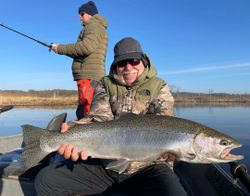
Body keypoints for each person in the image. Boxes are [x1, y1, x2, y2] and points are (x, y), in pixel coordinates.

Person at [35, 37, 187, 196]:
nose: (128, 67)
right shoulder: (105, 83)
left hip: (149, 168)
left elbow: (165, 121)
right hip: (106, 164)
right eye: (122, 63)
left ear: (143, 61)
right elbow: (100, 117)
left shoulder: (159, 86)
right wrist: (76, 128)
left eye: (134, 61)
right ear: (115, 66)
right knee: (45, 181)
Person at [52, 1, 108, 120]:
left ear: (89, 14)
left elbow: (86, 47)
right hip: (89, 75)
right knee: (84, 110)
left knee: (88, 111)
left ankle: (88, 137)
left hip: (89, 76)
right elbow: (83, 52)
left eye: (81, 14)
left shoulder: (93, 26)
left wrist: (61, 48)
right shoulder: (96, 27)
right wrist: (59, 50)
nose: (79, 17)